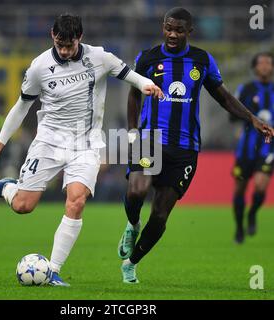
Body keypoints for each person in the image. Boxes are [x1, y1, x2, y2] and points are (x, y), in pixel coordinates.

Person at [0, 14, 163, 286]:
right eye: (59, 44)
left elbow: (130, 76)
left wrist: (147, 85)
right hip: (48, 141)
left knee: (77, 200)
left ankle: (53, 270)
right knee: (23, 206)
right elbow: (21, 106)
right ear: (52, 35)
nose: (63, 50)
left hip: (85, 143)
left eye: (69, 46)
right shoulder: (39, 67)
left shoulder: (99, 57)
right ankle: (6, 188)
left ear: (80, 38)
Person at [117, 7, 274, 284]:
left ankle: (131, 263)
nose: (172, 34)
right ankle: (132, 225)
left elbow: (223, 97)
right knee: (137, 190)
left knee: (161, 214)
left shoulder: (201, 60)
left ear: (190, 31)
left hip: (185, 148)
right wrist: (131, 131)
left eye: (179, 30)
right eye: (168, 28)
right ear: (163, 27)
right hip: (149, 138)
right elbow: (133, 95)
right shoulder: (148, 57)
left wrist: (251, 118)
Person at [231, 52, 274, 244]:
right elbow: (232, 113)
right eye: (261, 62)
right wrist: (242, 126)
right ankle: (240, 228)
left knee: (260, 185)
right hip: (246, 147)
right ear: (255, 67)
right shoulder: (246, 89)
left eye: (268, 63)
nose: (265, 66)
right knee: (240, 189)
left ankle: (253, 213)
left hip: (268, 147)